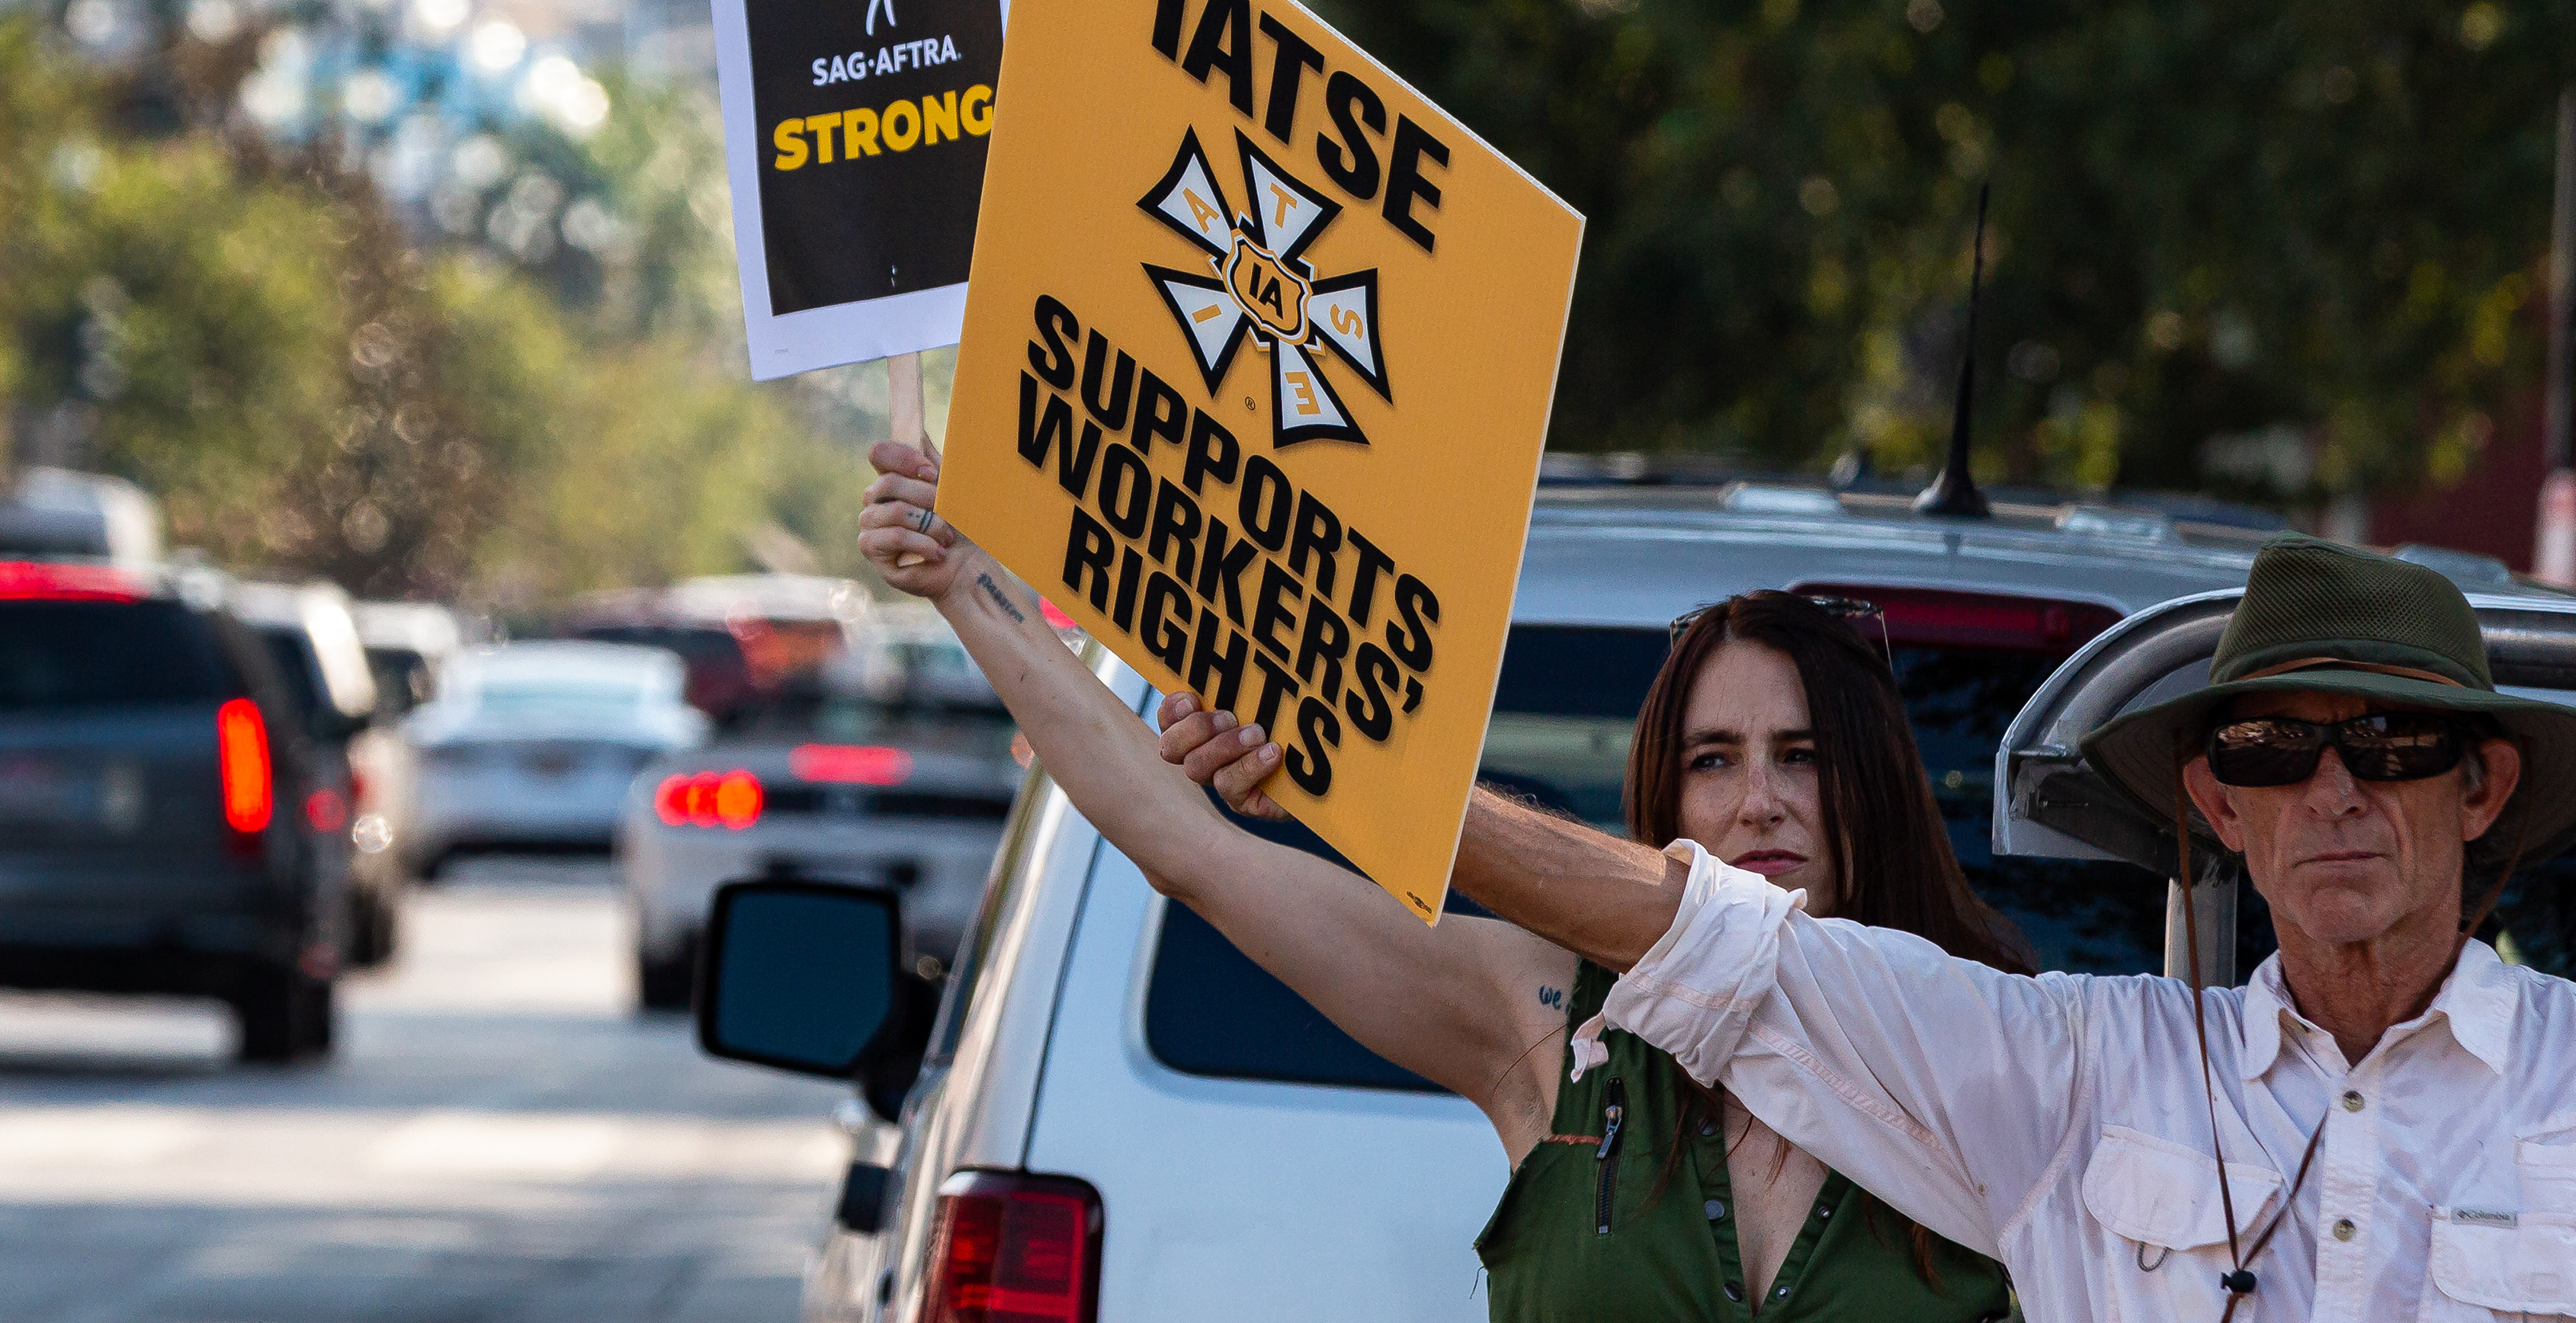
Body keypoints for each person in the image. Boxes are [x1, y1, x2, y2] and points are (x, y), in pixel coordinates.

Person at [1173, 530, 2576, 1323]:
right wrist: (1358, 773)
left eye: (2392, 743)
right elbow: (1720, 945)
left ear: (2483, 788)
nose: (2333, 794)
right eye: (2273, 748)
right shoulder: (2086, 1069)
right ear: (2217, 803)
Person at [859, 439, 2020, 1318]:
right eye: (1711, 761)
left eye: (1803, 756)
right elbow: (1194, 851)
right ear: (1663, 806)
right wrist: (965, 579)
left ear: (1874, 782)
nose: (1758, 799)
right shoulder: (1556, 1021)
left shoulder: (2012, 1054)